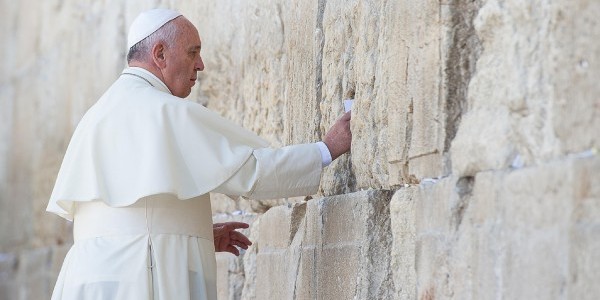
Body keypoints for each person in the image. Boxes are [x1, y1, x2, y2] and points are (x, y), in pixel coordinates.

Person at [46, 8, 351, 300]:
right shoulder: (164, 111)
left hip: (87, 279)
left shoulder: (97, 114)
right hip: (144, 272)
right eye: (193, 52)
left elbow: (126, 216)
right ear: (160, 54)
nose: (201, 64)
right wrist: (326, 149)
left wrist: (194, 231)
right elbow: (251, 173)